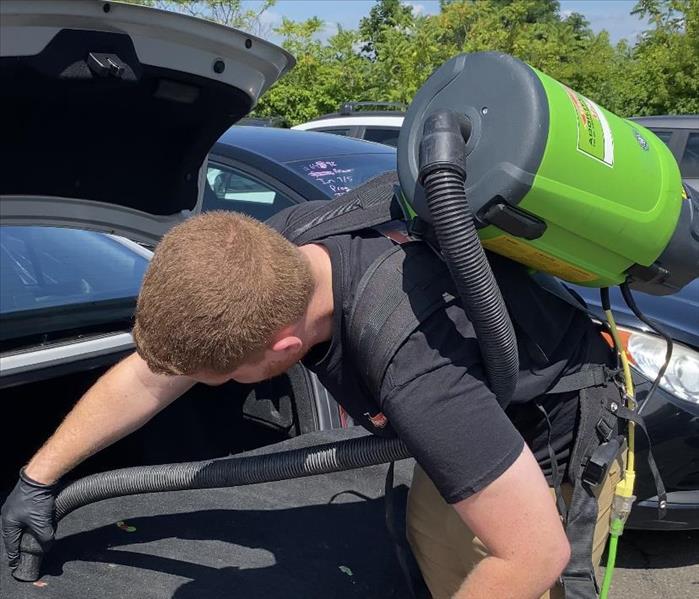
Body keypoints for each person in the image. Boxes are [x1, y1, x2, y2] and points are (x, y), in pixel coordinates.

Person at [2, 206, 620, 598]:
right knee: (440, 556)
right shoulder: (280, 250)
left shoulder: (415, 373)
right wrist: (39, 477)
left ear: (286, 346)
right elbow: (155, 371)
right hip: (473, 405)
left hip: (548, 429)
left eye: (223, 377)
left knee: (516, 576)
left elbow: (533, 553)